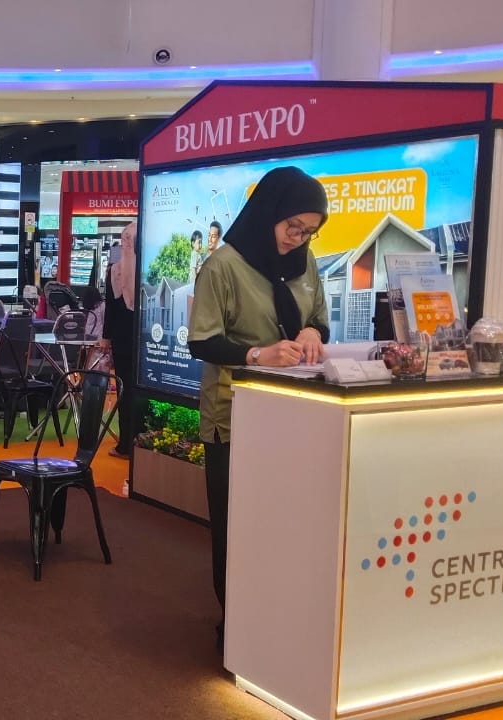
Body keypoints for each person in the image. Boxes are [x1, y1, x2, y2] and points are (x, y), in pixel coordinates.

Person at [187, 166, 329, 651]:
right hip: (234, 417)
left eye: (308, 231)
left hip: (292, 416)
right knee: (236, 526)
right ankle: (236, 624)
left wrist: (311, 332)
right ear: (269, 212)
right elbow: (201, 341)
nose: (297, 238)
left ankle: (277, 618)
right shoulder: (223, 266)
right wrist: (256, 355)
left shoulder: (306, 264)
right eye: (293, 226)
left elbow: (319, 321)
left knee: (280, 524)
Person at [104, 224, 137, 459]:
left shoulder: (115, 272)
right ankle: (140, 443)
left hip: (122, 342)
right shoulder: (147, 271)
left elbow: (110, 311)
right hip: (145, 343)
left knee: (124, 392)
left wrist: (106, 338)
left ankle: (125, 444)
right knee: (139, 393)